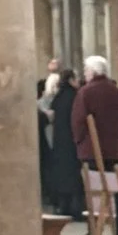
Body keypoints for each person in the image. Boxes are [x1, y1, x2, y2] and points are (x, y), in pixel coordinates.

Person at [73, 53, 118, 189]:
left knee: (95, 187)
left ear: (93, 72)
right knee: (113, 185)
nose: (85, 74)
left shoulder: (85, 92)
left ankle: (100, 210)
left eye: (86, 70)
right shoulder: (117, 92)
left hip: (91, 148)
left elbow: (78, 120)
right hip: (113, 148)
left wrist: (78, 140)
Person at [37, 59, 83, 217]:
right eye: (76, 79)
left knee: (63, 177)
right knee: (74, 178)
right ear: (71, 80)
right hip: (73, 143)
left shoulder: (59, 99)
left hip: (59, 143)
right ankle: (76, 209)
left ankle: (63, 206)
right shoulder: (76, 97)